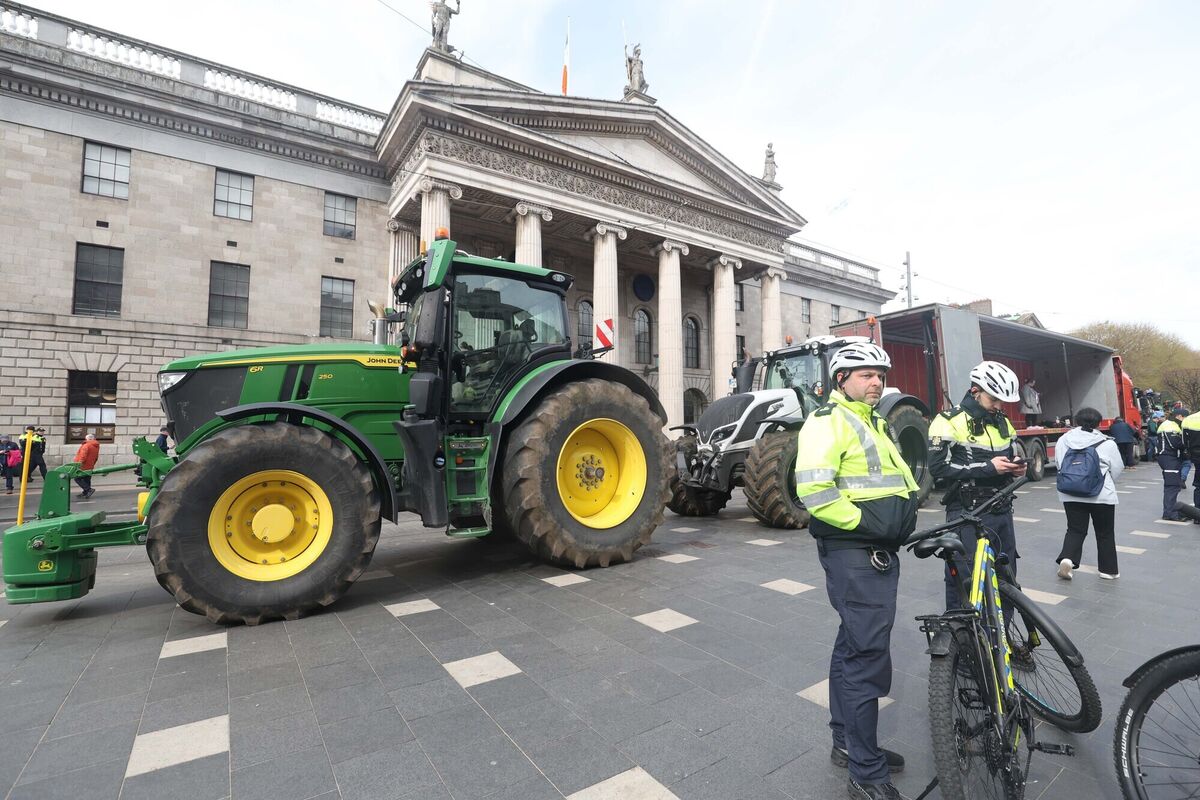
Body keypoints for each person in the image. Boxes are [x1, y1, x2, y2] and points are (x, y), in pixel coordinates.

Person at [795, 341, 920, 800]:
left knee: (853, 645)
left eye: (880, 375)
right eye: (866, 374)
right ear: (841, 379)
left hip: (875, 550)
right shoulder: (829, 421)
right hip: (857, 552)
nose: (876, 382)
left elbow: (899, 479)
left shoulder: (873, 421)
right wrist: (869, 524)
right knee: (867, 657)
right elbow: (814, 490)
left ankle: (847, 744)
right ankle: (866, 771)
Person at [928, 361, 1027, 610]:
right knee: (966, 581)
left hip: (1001, 509)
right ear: (975, 391)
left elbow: (1010, 455)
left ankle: (1002, 643)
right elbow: (938, 469)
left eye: (1002, 402)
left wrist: (1016, 468)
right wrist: (988, 468)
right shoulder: (947, 421)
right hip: (966, 512)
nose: (998, 406)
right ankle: (962, 642)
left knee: (1007, 578)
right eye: (993, 399)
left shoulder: (1002, 421)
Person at [1054, 407, 1124, 580]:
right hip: (1101, 496)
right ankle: (1108, 571)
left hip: (1070, 493)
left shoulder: (1064, 440)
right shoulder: (1107, 443)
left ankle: (1068, 559)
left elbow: (1058, 464)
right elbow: (1117, 468)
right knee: (1105, 533)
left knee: (1075, 529)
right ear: (1098, 423)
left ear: (1077, 421)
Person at [1156, 409, 1187, 521]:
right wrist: (1186, 444)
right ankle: (1171, 513)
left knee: (1171, 486)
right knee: (1172, 487)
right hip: (1169, 458)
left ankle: (1168, 512)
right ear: (1179, 416)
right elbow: (1175, 443)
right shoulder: (1170, 426)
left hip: (1167, 458)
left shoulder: (1169, 424)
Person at [1182, 409, 1200, 523]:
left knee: (1198, 486)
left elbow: (1184, 440)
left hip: (1196, 456)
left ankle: (1197, 515)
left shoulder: (1189, 419)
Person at [72, 434, 100, 499]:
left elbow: (83, 456)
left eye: (86, 439)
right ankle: (85, 492)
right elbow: (96, 457)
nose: (85, 440)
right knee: (87, 479)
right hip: (90, 465)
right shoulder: (96, 446)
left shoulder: (86, 445)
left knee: (77, 478)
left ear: (89, 439)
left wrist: (78, 464)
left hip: (83, 466)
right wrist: (93, 464)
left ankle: (89, 490)